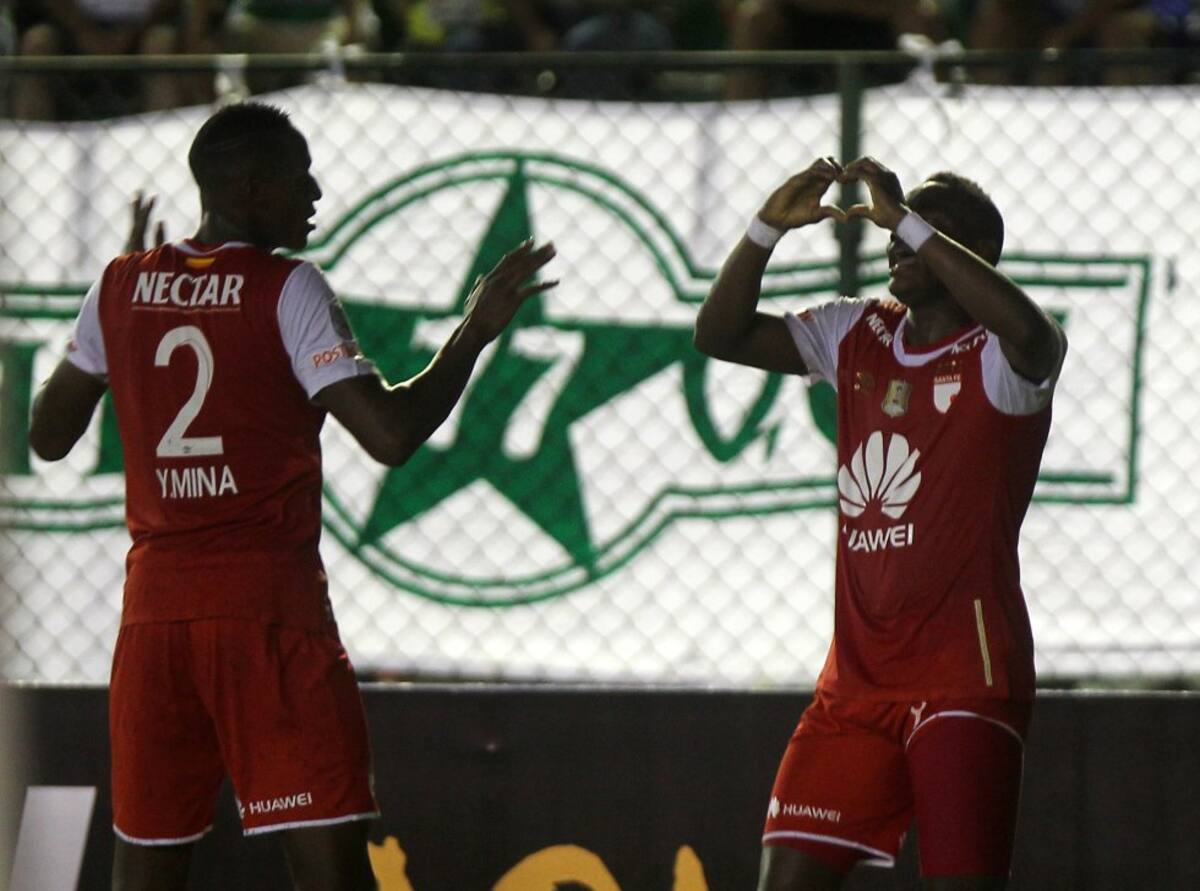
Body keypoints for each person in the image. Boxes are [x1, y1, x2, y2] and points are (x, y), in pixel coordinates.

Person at [27, 101, 556, 891]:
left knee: (144, 872)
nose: (314, 193)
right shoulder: (288, 287)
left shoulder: (119, 284)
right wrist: (473, 331)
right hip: (266, 613)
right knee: (330, 873)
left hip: (154, 624)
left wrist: (120, 323)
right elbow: (390, 434)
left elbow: (47, 437)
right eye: (297, 177)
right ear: (247, 186)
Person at [694, 156, 1066, 889]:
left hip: (965, 677)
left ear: (974, 253)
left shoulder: (1003, 358)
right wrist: (765, 228)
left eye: (927, 226)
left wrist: (908, 219)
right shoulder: (858, 331)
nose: (898, 237)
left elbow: (1034, 333)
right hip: (855, 687)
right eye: (896, 228)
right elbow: (720, 334)